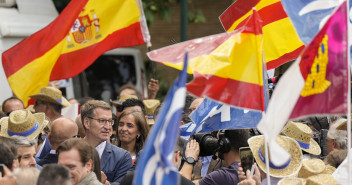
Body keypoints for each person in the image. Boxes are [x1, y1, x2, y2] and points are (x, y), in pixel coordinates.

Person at [81, 100, 132, 184]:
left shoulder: (122, 157)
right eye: (102, 121)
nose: (107, 127)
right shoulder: (69, 151)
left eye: (110, 121)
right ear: (87, 123)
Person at [181, 129, 251, 185]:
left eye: (219, 141)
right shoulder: (253, 171)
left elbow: (180, 183)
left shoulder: (223, 176)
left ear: (224, 144)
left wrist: (190, 158)